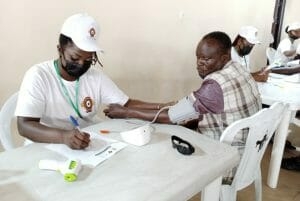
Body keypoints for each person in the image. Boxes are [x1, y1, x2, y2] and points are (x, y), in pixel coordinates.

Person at [15, 13, 168, 150]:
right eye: (75, 58)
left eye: (89, 59)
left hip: (87, 145)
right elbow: (25, 125)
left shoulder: (94, 77)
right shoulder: (38, 75)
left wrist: (166, 107)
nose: (81, 64)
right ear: (60, 50)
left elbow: (126, 104)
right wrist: (64, 137)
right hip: (45, 148)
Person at [104, 31, 261, 155]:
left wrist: (126, 112)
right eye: (198, 58)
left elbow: (172, 116)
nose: (200, 64)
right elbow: (181, 109)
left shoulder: (214, 84)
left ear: (224, 57)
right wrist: (167, 107)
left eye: (206, 59)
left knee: (160, 148)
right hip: (250, 151)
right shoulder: (239, 68)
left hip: (227, 156)